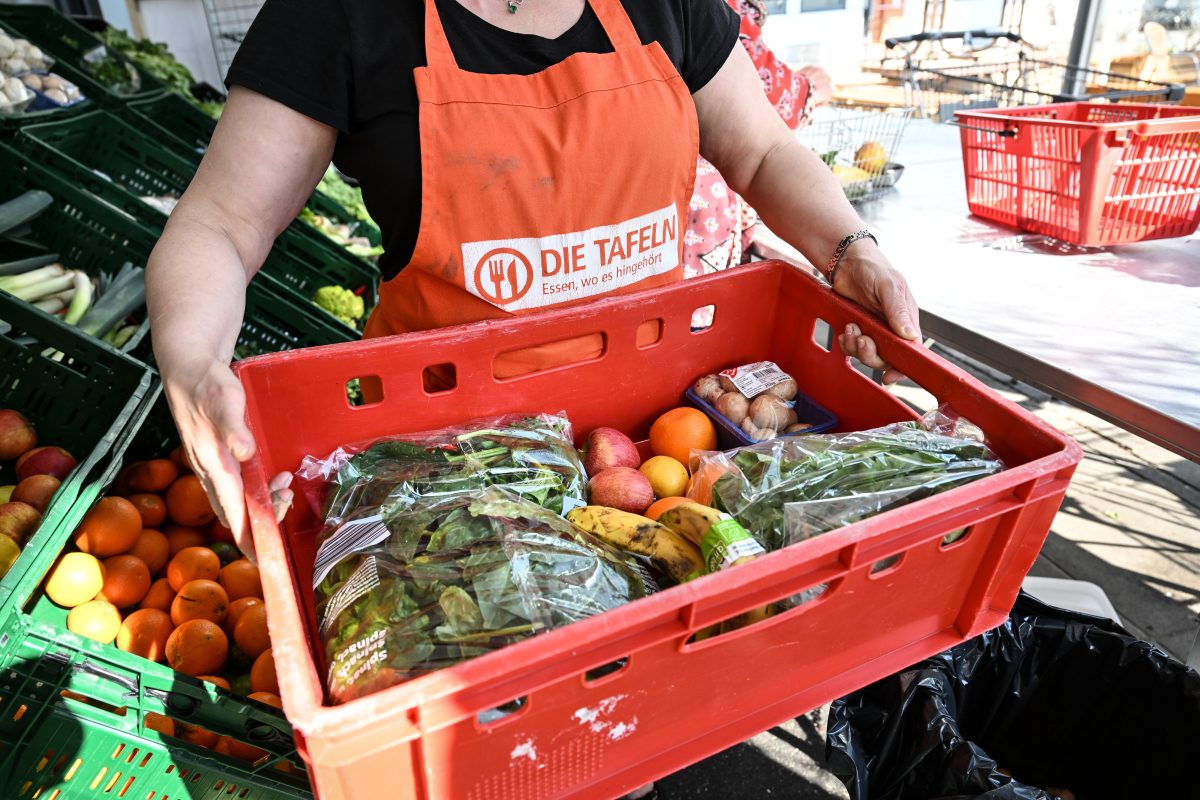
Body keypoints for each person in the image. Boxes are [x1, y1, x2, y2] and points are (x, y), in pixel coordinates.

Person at [145, 0, 920, 561]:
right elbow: (221, 224)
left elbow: (763, 152)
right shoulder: (339, 16)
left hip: (656, 437)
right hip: (447, 458)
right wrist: (190, 363)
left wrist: (850, 247)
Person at [685, 0, 833, 325]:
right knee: (695, 312)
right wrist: (811, 89)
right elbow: (757, 89)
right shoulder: (716, 10)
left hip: (689, 203)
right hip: (700, 203)